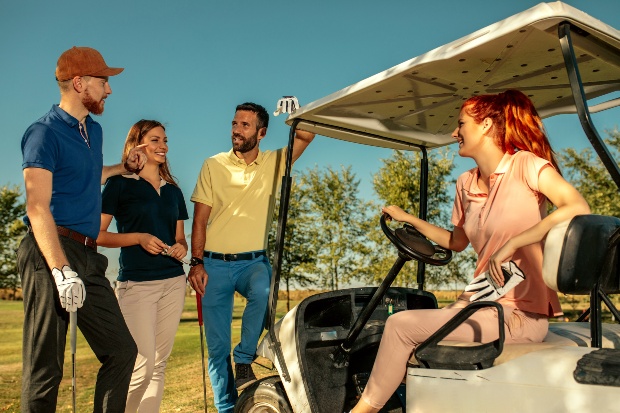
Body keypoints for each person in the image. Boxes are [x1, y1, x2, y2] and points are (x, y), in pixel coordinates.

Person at [349, 89, 591, 413]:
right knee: (403, 344)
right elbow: (455, 242)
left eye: (461, 123)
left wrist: (515, 242)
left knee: (398, 326)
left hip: (520, 313)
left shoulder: (525, 166)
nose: (454, 132)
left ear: (487, 125)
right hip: (479, 302)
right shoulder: (465, 183)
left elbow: (577, 206)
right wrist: (408, 219)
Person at [18, 46, 144, 413]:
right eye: (103, 81)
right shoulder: (43, 133)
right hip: (49, 251)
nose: (108, 89)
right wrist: (60, 271)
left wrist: (122, 168)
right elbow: (37, 206)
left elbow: (86, 176)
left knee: (122, 350)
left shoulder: (95, 131)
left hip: (89, 256)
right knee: (45, 368)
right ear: (79, 83)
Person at [187, 100, 315, 412]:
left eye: (245, 125)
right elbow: (200, 219)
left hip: (254, 262)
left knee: (263, 289)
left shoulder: (275, 161)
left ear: (261, 133)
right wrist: (196, 261)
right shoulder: (213, 165)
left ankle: (244, 357)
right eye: (234, 124)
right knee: (216, 349)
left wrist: (295, 112)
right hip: (214, 264)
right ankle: (227, 408)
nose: (236, 130)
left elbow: (307, 134)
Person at [98, 119, 189, 412]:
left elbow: (180, 238)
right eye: (154, 140)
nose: (162, 146)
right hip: (136, 285)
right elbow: (98, 235)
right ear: (137, 143)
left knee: (159, 365)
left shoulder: (173, 191)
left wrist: (180, 248)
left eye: (164, 140)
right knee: (142, 364)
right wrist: (137, 238)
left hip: (174, 282)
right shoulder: (118, 185)